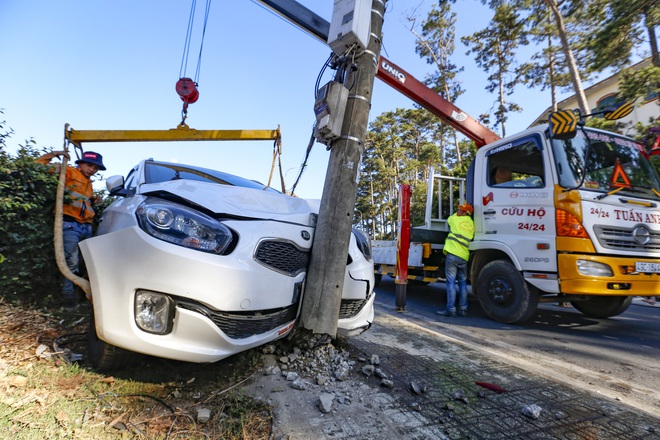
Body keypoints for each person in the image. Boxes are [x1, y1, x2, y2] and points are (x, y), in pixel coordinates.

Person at [36, 150, 106, 310]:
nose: (92, 170)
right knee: (71, 263)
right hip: (70, 224)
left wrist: (92, 201)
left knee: (83, 263)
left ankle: (80, 296)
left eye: (96, 168)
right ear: (80, 163)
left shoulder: (89, 183)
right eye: (89, 165)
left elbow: (80, 202)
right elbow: (38, 166)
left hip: (85, 226)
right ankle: (68, 301)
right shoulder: (68, 171)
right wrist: (55, 154)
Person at [437, 202, 475, 317]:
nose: (457, 211)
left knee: (451, 283)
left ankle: (450, 309)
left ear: (465, 213)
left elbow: (450, 219)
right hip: (464, 257)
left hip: (453, 255)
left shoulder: (455, 219)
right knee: (463, 284)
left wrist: (456, 215)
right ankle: (463, 309)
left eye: (460, 210)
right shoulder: (472, 224)